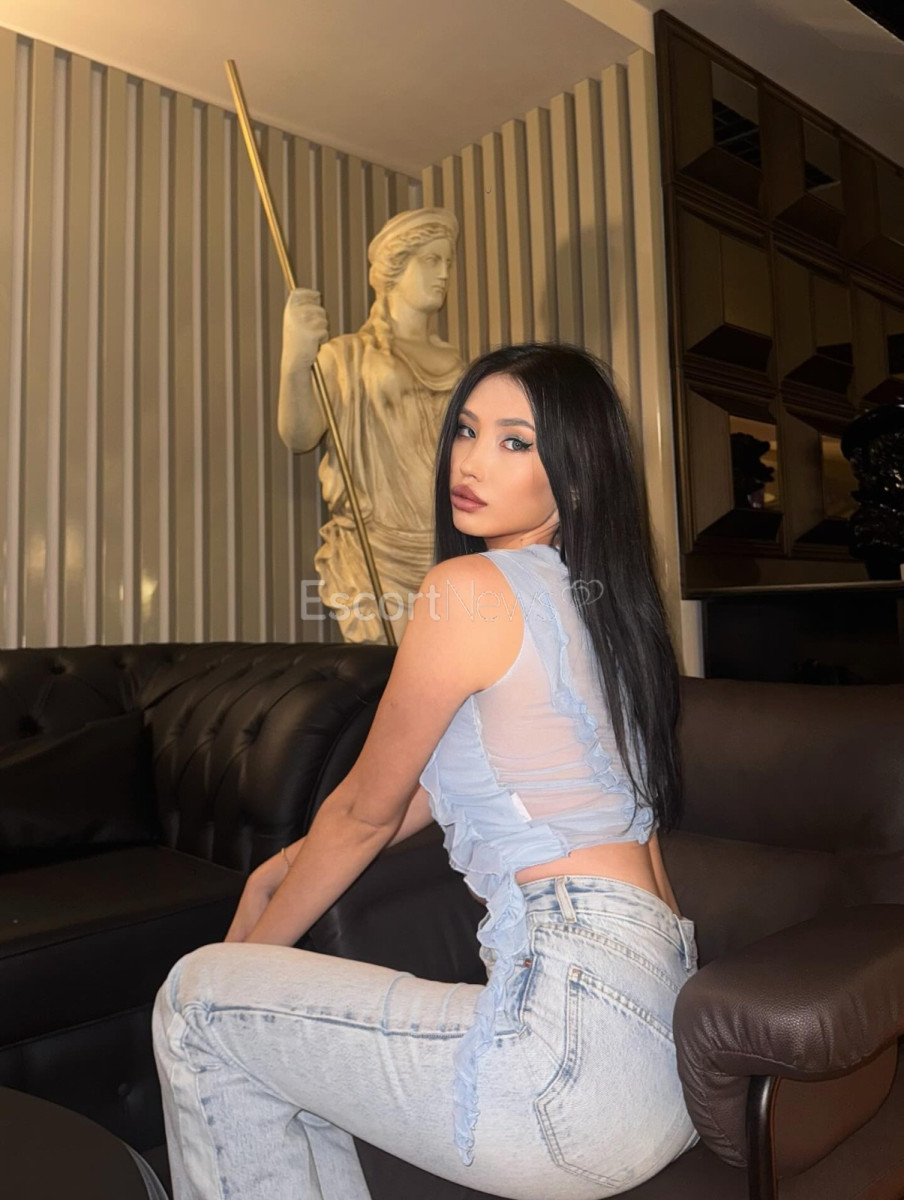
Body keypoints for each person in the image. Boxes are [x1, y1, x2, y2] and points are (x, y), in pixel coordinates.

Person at [153, 343, 701, 1200]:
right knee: (282, 1047)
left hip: (571, 1053)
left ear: (577, 479)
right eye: (467, 431)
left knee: (195, 1002)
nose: (471, 462)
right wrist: (279, 872)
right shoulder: (603, 613)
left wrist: (239, 969)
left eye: (515, 442)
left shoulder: (467, 589)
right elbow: (409, 799)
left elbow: (361, 815)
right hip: (666, 1059)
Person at [278, 206, 464, 643]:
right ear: (394, 268)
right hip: (377, 553)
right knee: (391, 674)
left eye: (448, 261)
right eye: (431, 260)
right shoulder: (347, 355)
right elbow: (299, 435)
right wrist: (295, 358)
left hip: (448, 546)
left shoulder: (457, 363)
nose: (444, 273)